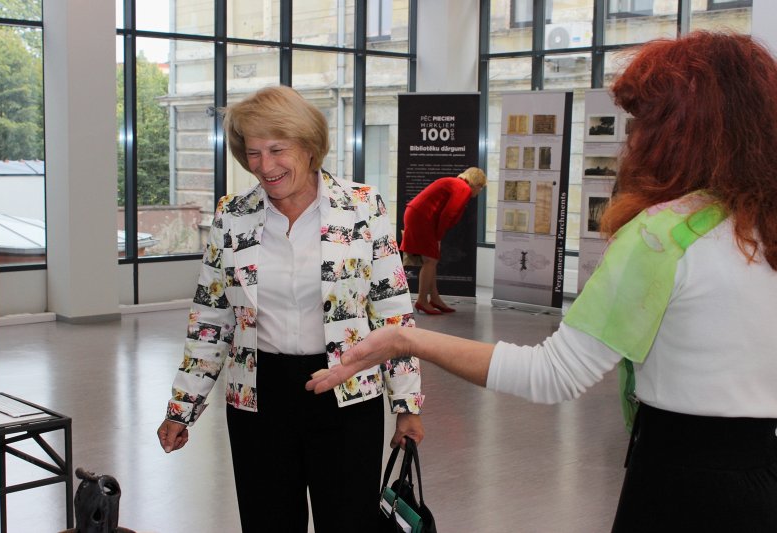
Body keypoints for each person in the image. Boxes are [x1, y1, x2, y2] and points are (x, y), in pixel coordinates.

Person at [307, 32, 777, 532]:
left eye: (643, 124)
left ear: (681, 133)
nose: (631, 142)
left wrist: (405, 338)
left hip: (685, 484)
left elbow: (554, 373)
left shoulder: (662, 236)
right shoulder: (762, 227)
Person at [156, 85, 425, 533]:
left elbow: (392, 311)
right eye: (254, 152)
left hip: (347, 391)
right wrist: (181, 407)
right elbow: (211, 321)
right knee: (268, 522)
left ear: (309, 146)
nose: (265, 165)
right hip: (259, 396)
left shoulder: (361, 207)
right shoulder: (233, 215)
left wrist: (407, 403)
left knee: (348, 522)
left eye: (277, 149)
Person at [400, 168, 486, 314]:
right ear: (476, 183)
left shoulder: (455, 183)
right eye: (481, 187)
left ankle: (434, 298)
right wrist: (438, 236)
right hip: (422, 218)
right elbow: (448, 213)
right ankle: (421, 300)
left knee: (431, 260)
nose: (480, 191)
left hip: (418, 215)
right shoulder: (463, 188)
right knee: (431, 261)